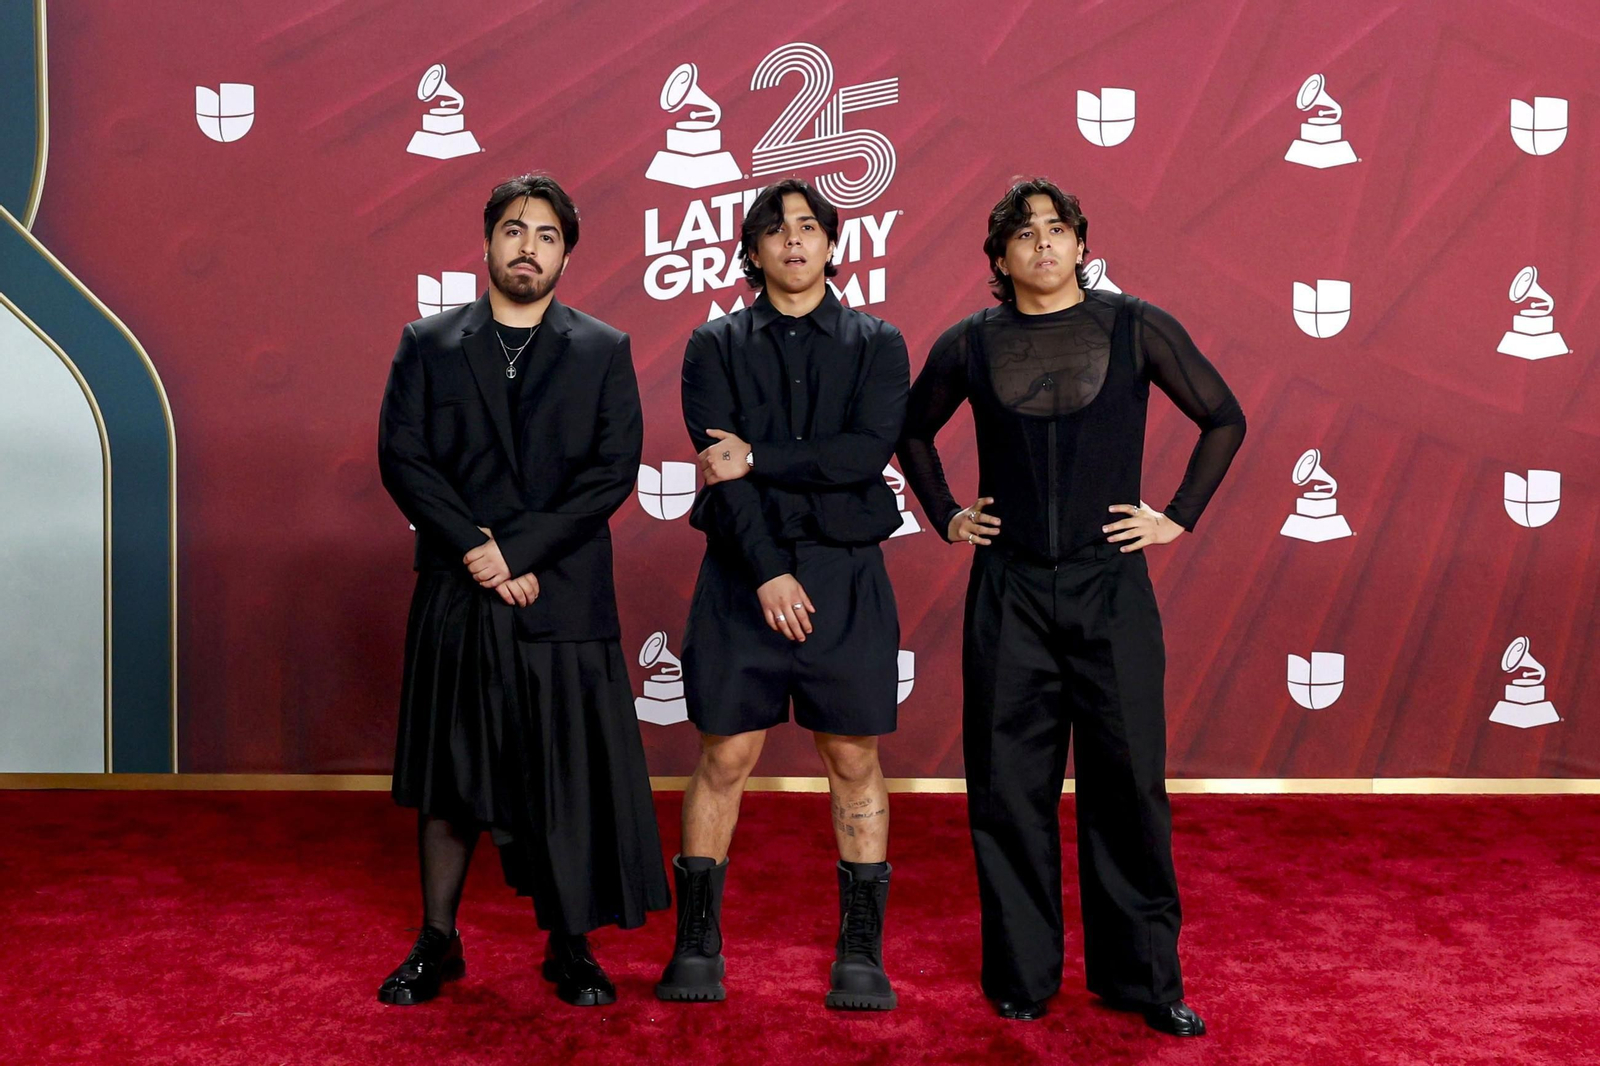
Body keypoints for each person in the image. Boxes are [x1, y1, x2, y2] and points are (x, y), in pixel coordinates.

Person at [896, 177, 1246, 1033]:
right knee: (1010, 787)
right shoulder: (969, 344)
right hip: (1008, 591)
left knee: (1127, 786)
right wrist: (945, 514)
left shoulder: (1136, 325)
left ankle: (1144, 980)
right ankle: (1020, 975)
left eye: (1058, 229)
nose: (1043, 244)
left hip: (1110, 587)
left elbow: (1223, 417)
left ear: (1082, 245)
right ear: (999, 258)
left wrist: (1177, 518)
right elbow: (910, 433)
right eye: (1024, 234)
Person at [376, 173, 669, 1008]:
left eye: (545, 234)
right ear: (486, 243)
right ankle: (438, 940)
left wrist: (521, 550)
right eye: (513, 229)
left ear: (567, 253)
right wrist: (477, 549)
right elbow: (404, 459)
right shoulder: (427, 344)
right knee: (450, 777)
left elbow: (612, 471)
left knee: (564, 777)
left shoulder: (602, 348)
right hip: (458, 588)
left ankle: (569, 946)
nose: (527, 246)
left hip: (563, 593)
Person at [656, 178, 910, 1011]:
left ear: (833, 244)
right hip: (741, 571)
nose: (794, 241)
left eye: (809, 227)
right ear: (752, 250)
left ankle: (861, 953)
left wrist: (760, 458)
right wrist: (767, 570)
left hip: (845, 574)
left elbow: (862, 456)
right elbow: (721, 485)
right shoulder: (713, 346)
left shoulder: (878, 343)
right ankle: (697, 946)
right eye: (775, 229)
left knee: (853, 757)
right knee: (725, 756)